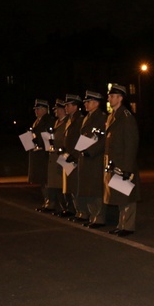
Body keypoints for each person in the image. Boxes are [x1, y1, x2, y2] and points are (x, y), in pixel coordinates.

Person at [103, 83, 141, 236]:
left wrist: (127, 168)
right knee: (119, 196)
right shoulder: (112, 116)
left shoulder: (126, 117)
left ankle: (128, 226)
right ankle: (121, 224)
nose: (109, 98)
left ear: (120, 98)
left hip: (123, 162)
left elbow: (132, 143)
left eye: (112, 96)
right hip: (115, 162)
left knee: (127, 196)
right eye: (109, 96)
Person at [77, 90, 108, 229]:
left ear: (95, 103)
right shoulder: (88, 117)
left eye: (88, 102)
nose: (85, 104)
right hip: (86, 156)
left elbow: (103, 139)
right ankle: (92, 215)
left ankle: (99, 216)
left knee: (95, 188)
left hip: (95, 158)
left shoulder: (101, 117)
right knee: (87, 188)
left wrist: (91, 151)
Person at [62, 94, 87, 222]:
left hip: (75, 158)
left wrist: (76, 155)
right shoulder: (70, 120)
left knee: (77, 186)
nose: (66, 107)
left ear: (75, 106)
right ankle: (77, 211)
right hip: (68, 157)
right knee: (71, 186)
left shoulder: (80, 120)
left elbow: (82, 140)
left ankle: (82, 212)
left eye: (68, 105)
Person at [29, 99, 54, 212]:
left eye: (38, 109)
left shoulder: (48, 120)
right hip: (38, 154)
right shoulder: (37, 121)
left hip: (44, 154)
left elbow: (49, 138)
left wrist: (38, 141)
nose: (36, 111)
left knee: (46, 180)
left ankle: (50, 202)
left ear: (44, 109)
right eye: (35, 109)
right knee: (42, 181)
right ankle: (46, 201)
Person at [47, 99, 68, 216]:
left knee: (61, 184)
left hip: (61, 156)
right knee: (56, 184)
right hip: (54, 155)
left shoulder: (66, 122)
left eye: (57, 109)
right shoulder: (57, 122)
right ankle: (60, 207)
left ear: (62, 110)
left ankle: (65, 207)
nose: (55, 111)